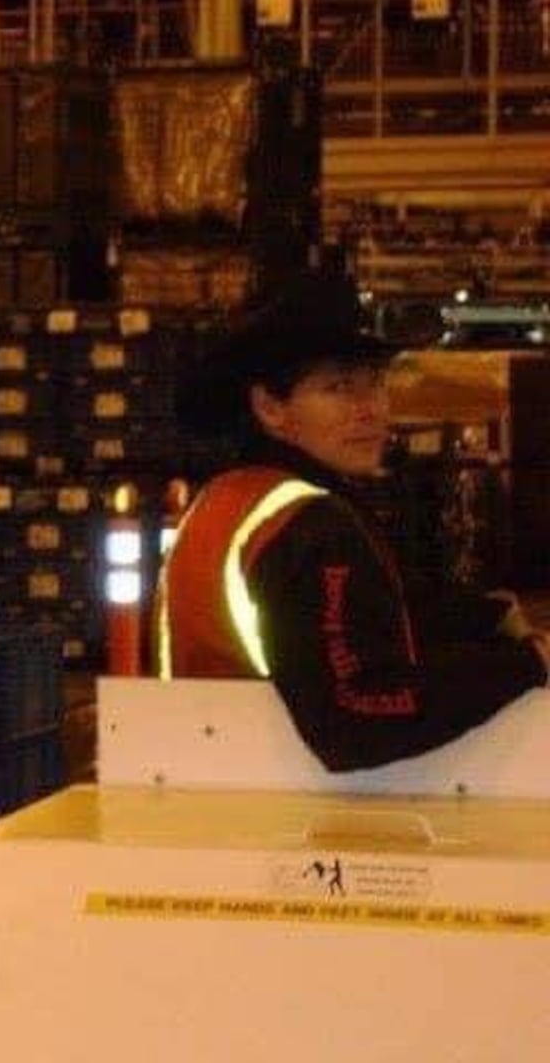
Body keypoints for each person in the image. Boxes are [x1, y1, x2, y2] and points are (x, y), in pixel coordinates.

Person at [155, 271, 550, 772]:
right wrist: (527, 664)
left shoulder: (229, 498)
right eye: (339, 387)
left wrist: (480, 621)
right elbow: (356, 715)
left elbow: (343, 633)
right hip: (278, 812)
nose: (370, 411)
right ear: (270, 408)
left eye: (376, 384)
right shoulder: (309, 525)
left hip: (204, 782)